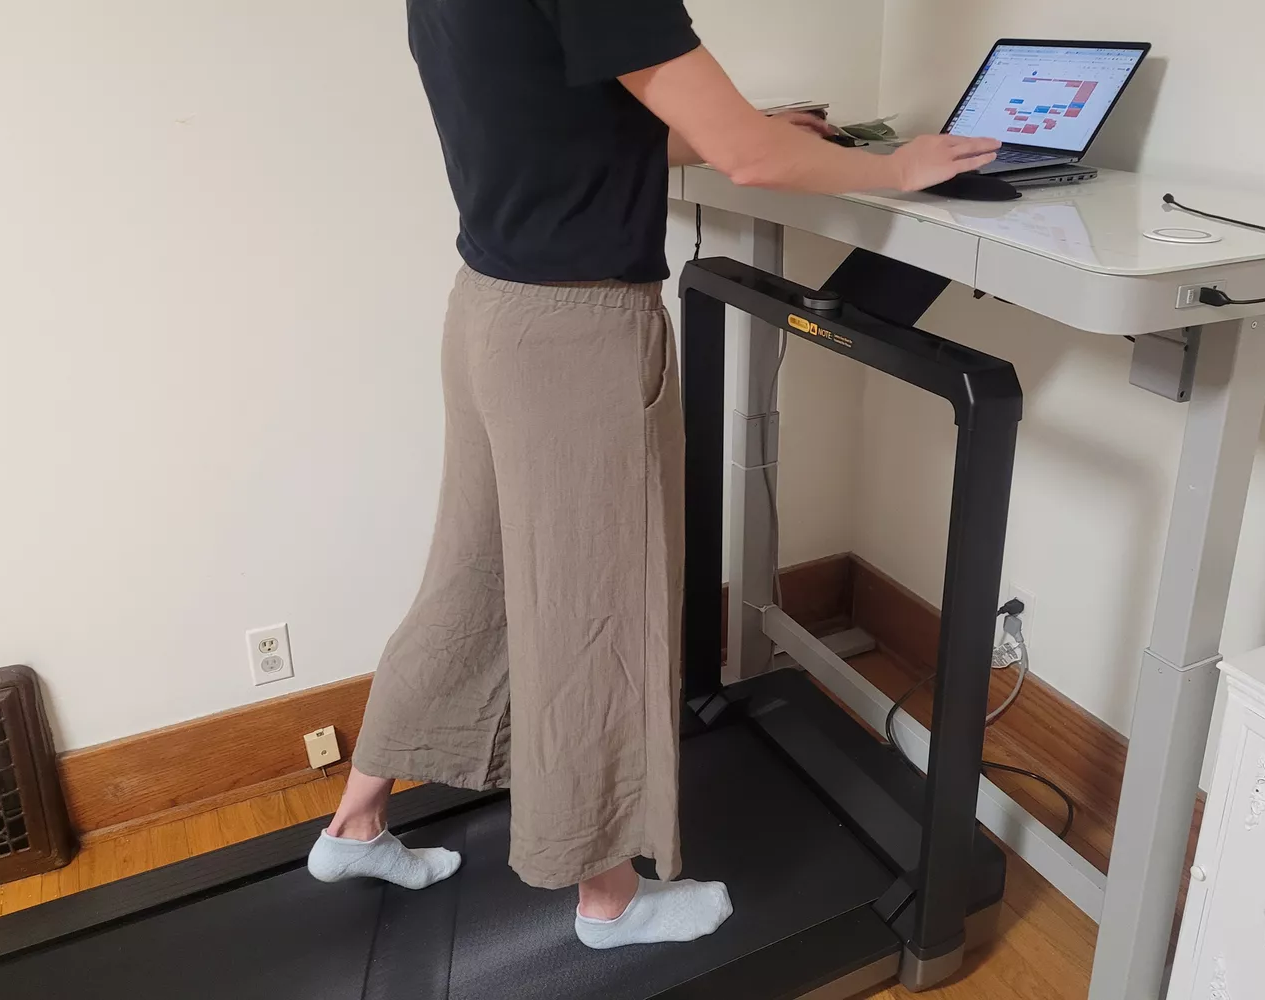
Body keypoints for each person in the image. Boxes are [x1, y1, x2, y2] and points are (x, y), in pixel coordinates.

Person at [305, 0, 998, 951]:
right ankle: (608, 898)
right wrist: (896, 166)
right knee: (595, 618)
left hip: (489, 314)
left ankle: (355, 825)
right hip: (576, 335)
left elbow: (558, 127)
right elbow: (752, 162)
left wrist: (738, 135)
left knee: (471, 584)